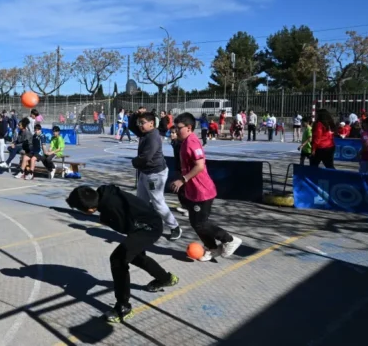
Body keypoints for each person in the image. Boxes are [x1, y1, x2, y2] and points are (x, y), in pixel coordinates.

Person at [66, 185, 179, 323]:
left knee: (118, 259)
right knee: (136, 257)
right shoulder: (104, 192)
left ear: (90, 210)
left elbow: (124, 227)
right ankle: (165, 279)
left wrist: (107, 220)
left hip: (149, 228)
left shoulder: (111, 209)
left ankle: (123, 307)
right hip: (145, 222)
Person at [170, 112, 241, 262]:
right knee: (196, 223)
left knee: (200, 223)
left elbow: (200, 166)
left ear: (189, 128)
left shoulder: (192, 142)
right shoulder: (184, 142)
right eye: (174, 127)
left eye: (179, 128)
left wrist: (183, 180)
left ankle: (229, 240)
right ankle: (213, 248)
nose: (176, 130)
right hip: (193, 191)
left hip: (203, 191)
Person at [133, 112, 182, 240]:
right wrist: (134, 116)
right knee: (141, 200)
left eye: (142, 123)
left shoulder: (153, 137)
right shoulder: (145, 132)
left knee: (158, 203)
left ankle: (174, 227)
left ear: (151, 123)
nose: (140, 126)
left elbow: (147, 157)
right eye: (139, 123)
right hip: (145, 172)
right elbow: (132, 127)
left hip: (155, 174)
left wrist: (135, 162)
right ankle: (143, 222)